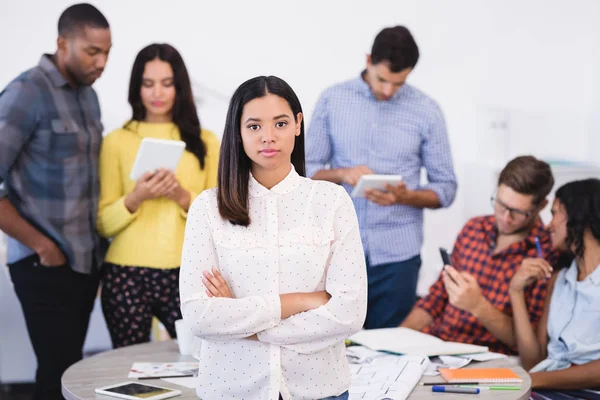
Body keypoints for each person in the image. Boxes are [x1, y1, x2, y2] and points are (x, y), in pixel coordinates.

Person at [180, 76, 367, 400]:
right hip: (232, 389)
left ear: (297, 124)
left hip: (319, 388)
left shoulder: (332, 201)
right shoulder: (208, 208)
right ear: (238, 132)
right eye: (254, 126)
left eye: (280, 123)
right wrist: (298, 301)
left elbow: (348, 312)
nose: (268, 137)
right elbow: (200, 317)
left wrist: (244, 324)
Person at [306, 25, 457, 329]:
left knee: (390, 353)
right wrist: (342, 173)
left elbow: (446, 188)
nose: (388, 91)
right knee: (332, 347)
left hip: (398, 258)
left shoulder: (427, 111)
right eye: (382, 79)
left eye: (398, 84)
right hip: (336, 252)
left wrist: (406, 196)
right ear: (367, 60)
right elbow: (305, 171)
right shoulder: (332, 100)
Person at [0, 4, 111, 399]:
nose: (101, 62)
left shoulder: (90, 98)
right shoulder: (24, 94)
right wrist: (43, 246)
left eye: (106, 53)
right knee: (57, 369)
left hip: (83, 263)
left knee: (72, 372)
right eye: (92, 52)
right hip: (43, 263)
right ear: (62, 43)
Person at [97, 43, 220, 348]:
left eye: (167, 84)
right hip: (125, 274)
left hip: (188, 272)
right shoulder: (116, 141)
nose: (157, 93)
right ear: (136, 87)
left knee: (201, 360)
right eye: (148, 83)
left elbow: (221, 217)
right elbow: (102, 224)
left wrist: (181, 196)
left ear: (180, 87)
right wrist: (135, 197)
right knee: (128, 371)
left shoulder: (205, 141)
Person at [402, 156, 561, 355]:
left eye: (518, 212)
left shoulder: (546, 256)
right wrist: (398, 336)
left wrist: (479, 306)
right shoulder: (474, 229)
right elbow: (436, 299)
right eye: (501, 204)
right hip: (437, 346)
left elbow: (527, 344)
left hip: (486, 359)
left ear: (541, 206)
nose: (505, 218)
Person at [511, 178, 600, 395]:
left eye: (555, 213)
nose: (548, 225)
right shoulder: (559, 279)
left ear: (579, 216)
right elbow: (536, 360)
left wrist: (531, 379)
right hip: (545, 389)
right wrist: (515, 291)